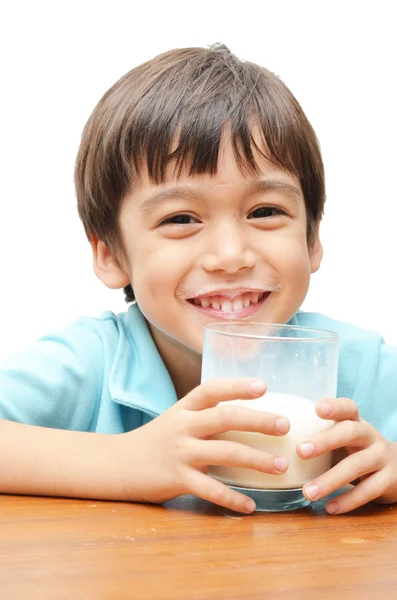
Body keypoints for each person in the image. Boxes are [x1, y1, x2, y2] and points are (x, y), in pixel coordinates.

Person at [0, 44, 396, 515]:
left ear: (312, 239)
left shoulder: (357, 366)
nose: (230, 256)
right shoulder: (90, 364)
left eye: (265, 211)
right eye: (182, 218)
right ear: (111, 254)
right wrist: (127, 463)